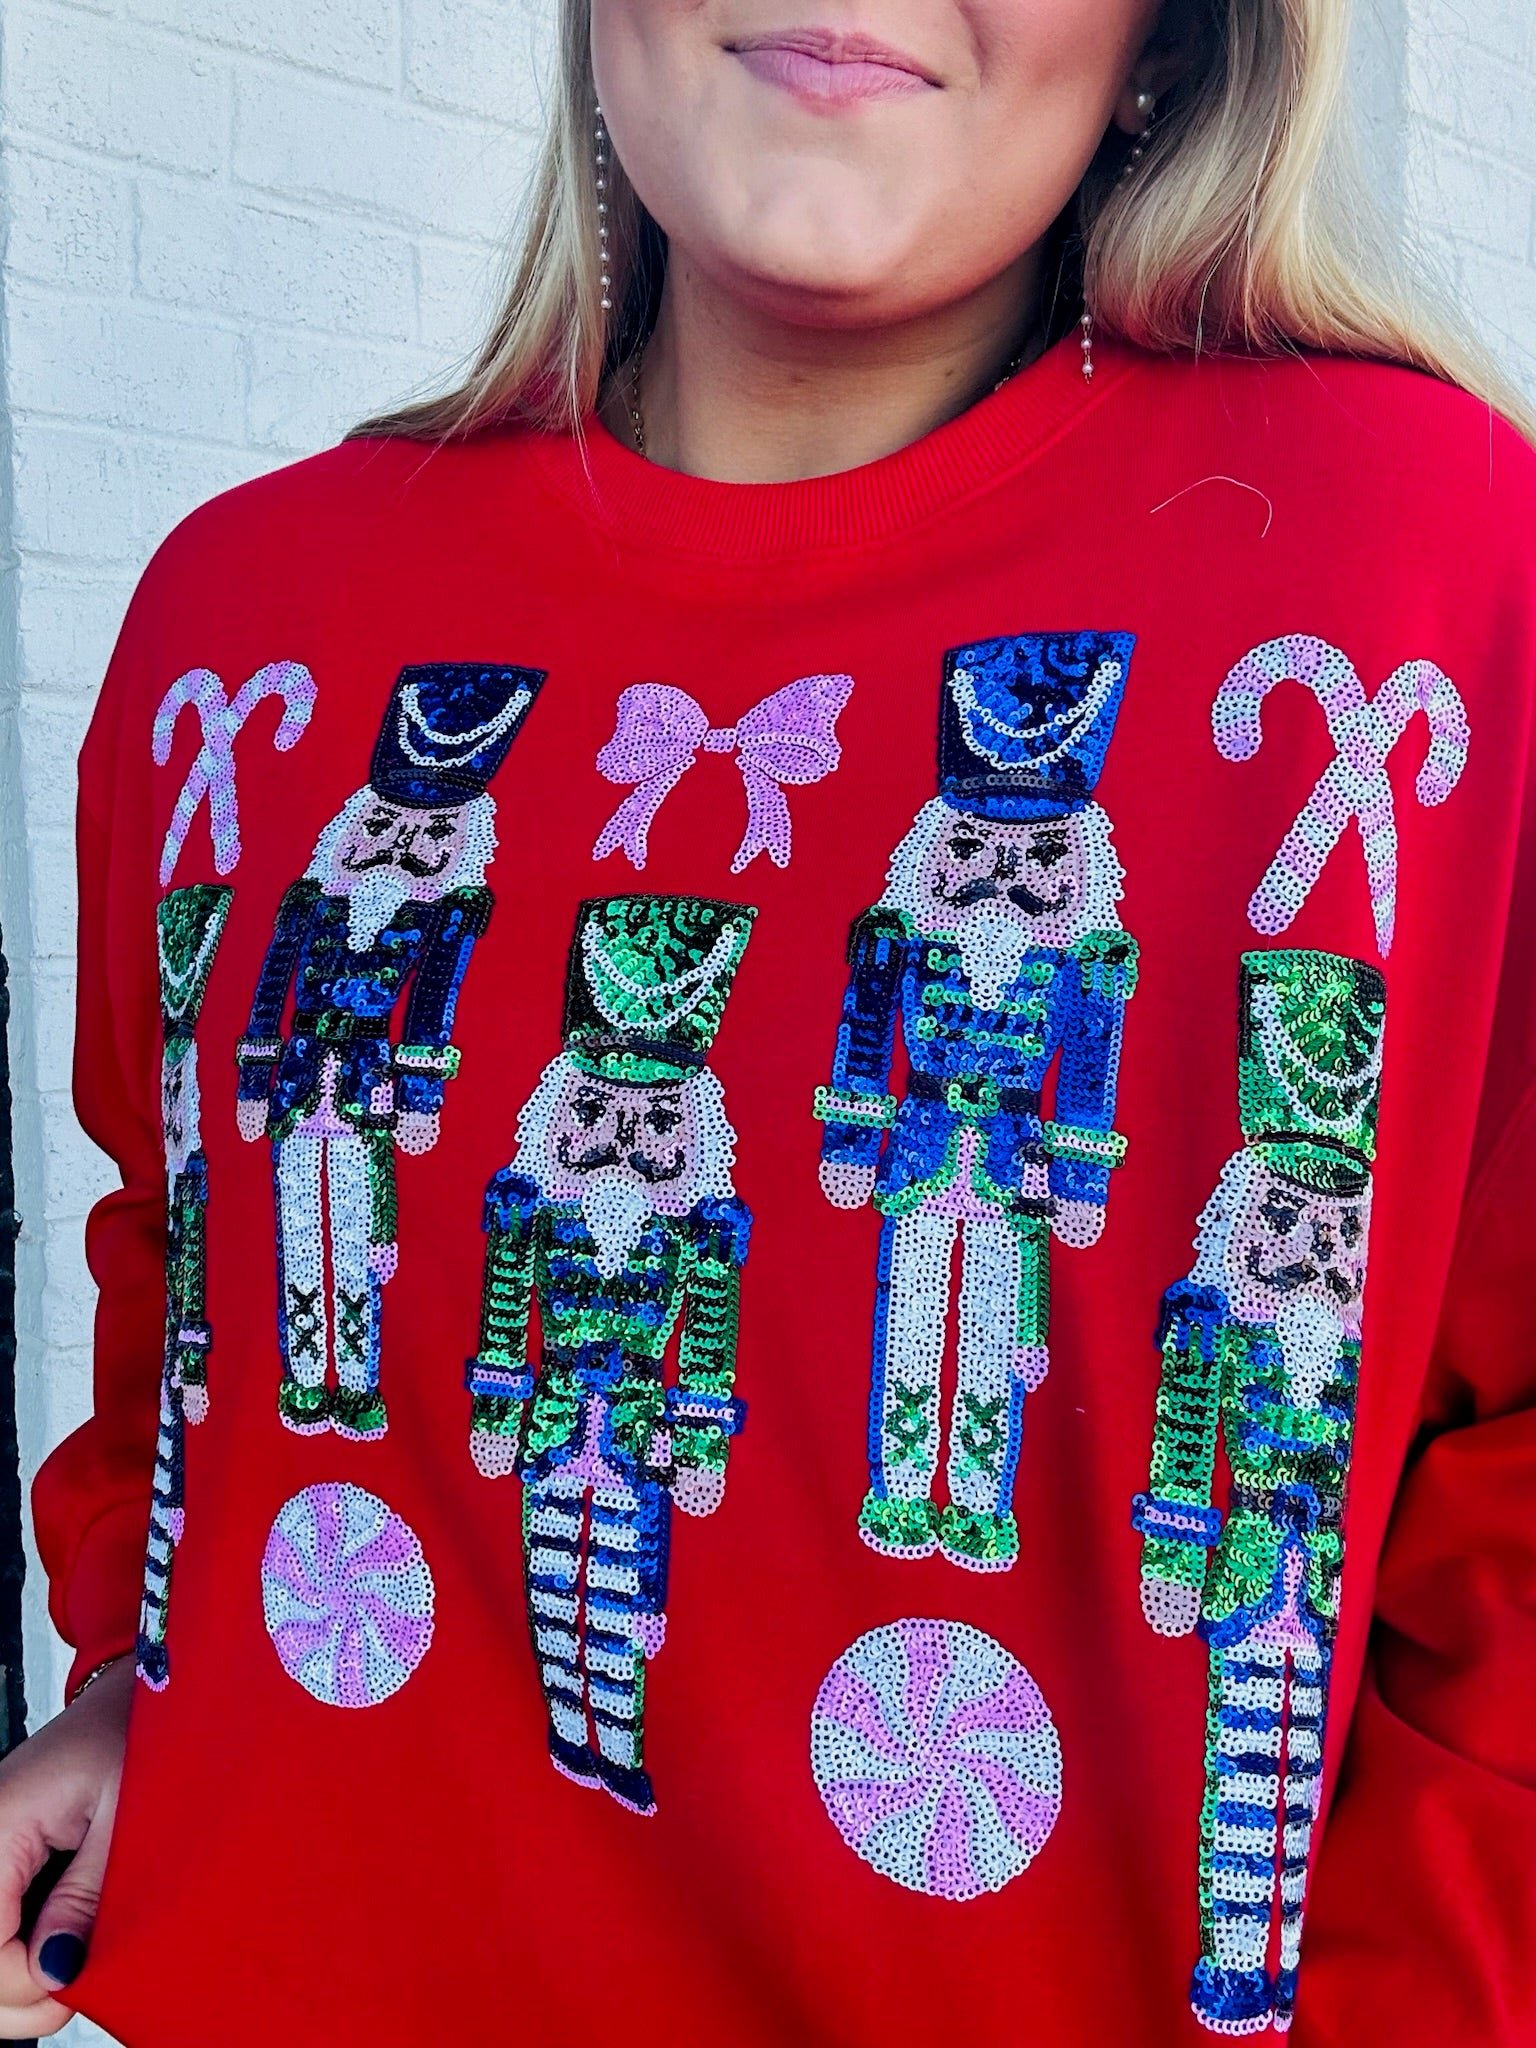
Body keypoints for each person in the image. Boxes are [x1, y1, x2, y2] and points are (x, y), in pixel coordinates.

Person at [0, 0, 1532, 2042]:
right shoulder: (241, 616)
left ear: (1176, 32)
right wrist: (149, 1677)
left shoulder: (1441, 565)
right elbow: (178, 1245)